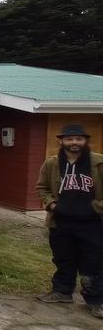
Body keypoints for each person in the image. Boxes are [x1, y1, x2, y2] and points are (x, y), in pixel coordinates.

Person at [35, 125, 103, 319]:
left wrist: (95, 207)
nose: (74, 142)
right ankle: (62, 291)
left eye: (78, 139)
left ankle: (96, 300)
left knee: (93, 262)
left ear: (85, 141)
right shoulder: (52, 163)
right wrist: (52, 204)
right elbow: (42, 187)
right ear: (61, 141)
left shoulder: (98, 163)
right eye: (69, 139)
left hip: (92, 223)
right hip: (61, 221)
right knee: (63, 258)